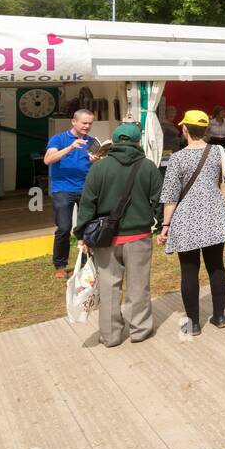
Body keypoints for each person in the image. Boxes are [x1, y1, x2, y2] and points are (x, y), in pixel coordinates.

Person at [73, 123, 163, 346]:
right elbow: (159, 200)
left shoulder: (99, 168)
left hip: (106, 238)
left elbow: (87, 203)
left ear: (113, 142)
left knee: (108, 286)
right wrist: (160, 223)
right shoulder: (148, 166)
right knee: (138, 285)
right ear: (137, 142)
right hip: (139, 236)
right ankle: (140, 330)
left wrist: (82, 234)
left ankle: (110, 335)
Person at [158, 110, 225, 336]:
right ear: (205, 130)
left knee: (189, 271)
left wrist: (165, 226)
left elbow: (170, 196)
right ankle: (219, 316)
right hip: (214, 216)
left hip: (186, 220)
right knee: (216, 266)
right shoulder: (218, 151)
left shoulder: (177, 158)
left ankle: (192, 323)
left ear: (184, 130)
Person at [44, 109, 99, 280]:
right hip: (62, 189)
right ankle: (60, 265)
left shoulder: (91, 141)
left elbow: (91, 163)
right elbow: (48, 160)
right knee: (64, 227)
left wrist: (95, 160)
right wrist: (69, 147)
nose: (87, 126)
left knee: (88, 227)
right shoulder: (59, 139)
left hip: (85, 188)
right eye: (84, 123)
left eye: (90, 123)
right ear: (73, 122)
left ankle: (85, 263)